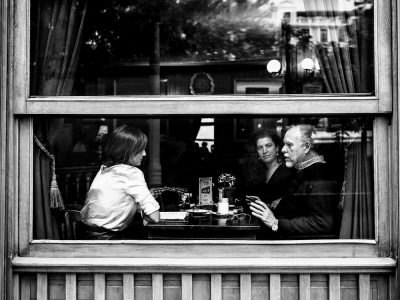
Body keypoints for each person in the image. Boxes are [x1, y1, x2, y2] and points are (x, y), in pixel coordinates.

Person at [248, 124, 338, 238]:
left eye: (289, 145)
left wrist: (275, 223)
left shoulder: (319, 176)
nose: (283, 149)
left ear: (306, 147)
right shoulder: (304, 170)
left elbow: (321, 223)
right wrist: (271, 206)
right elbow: (299, 207)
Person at [81, 125, 160, 239]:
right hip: (108, 242)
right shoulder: (131, 173)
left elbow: (118, 203)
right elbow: (155, 217)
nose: (144, 154)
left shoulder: (105, 170)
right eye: (140, 149)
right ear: (128, 150)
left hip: (88, 236)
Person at [246, 129, 295, 208]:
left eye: (268, 145)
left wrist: (283, 199)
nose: (264, 151)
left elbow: (298, 197)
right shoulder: (259, 171)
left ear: (277, 148)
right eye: (260, 147)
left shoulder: (287, 170)